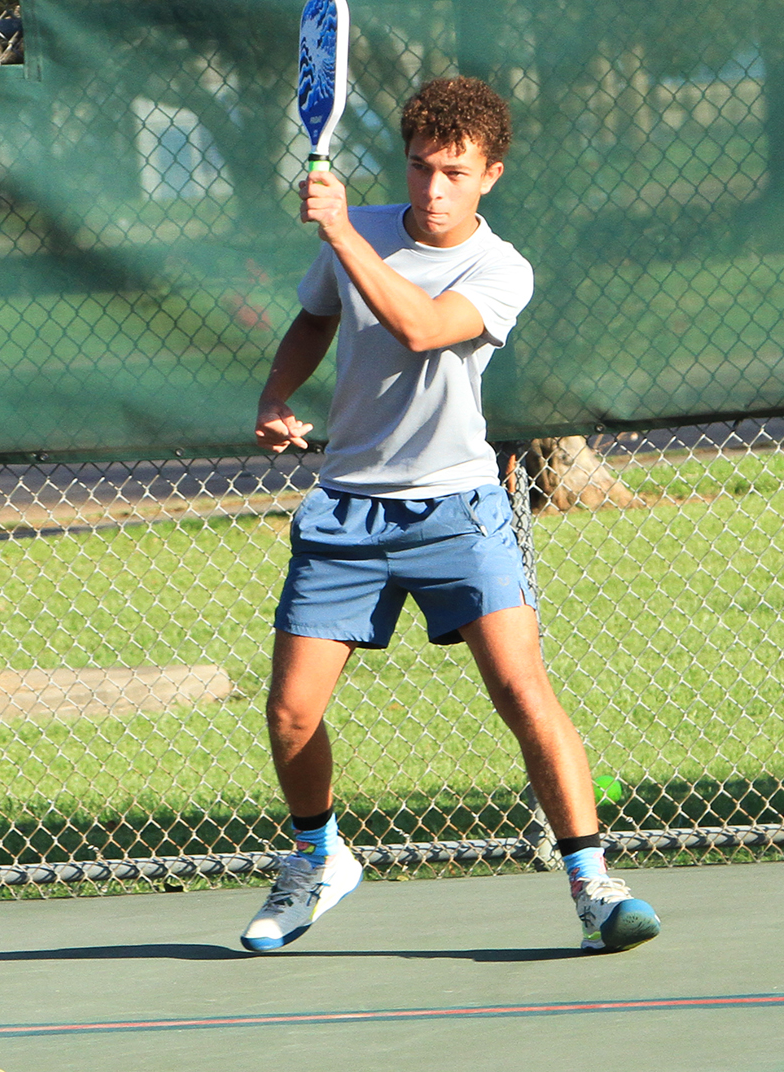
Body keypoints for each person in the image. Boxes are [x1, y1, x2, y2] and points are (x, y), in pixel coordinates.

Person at [241, 76, 660, 955]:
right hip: (347, 513)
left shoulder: (500, 268)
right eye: (422, 168)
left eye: (455, 172)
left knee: (521, 691)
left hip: (458, 512)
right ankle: (318, 861)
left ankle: (593, 885)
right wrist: (278, 391)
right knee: (289, 714)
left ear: (490, 174)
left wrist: (341, 232)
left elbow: (423, 327)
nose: (433, 189)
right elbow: (319, 314)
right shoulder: (363, 234)